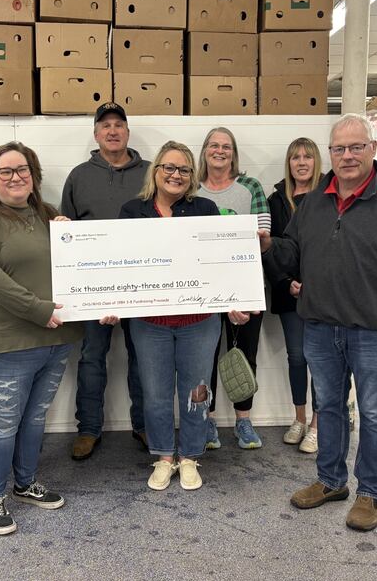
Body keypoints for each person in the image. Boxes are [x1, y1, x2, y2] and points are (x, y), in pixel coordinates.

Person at [259, 114, 377, 531]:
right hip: (321, 327)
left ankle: (370, 494)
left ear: (373, 149)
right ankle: (331, 481)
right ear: (331, 153)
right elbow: (292, 253)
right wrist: (270, 246)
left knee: (374, 412)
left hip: (375, 332)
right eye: (339, 149)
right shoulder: (312, 204)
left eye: (356, 147)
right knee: (327, 407)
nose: (347, 156)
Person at [0, 142, 83, 536]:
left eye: (22, 169)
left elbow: (75, 267)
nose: (15, 177)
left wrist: (71, 239)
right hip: (5, 339)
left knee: (33, 418)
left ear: (34, 174)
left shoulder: (46, 215)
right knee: (2, 423)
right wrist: (37, 309)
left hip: (54, 336)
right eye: (5, 171)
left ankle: (25, 483)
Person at [119, 141, 254, 491]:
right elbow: (120, 265)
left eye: (183, 170)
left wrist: (235, 300)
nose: (176, 175)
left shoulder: (206, 209)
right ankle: (164, 457)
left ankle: (191, 456)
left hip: (199, 322)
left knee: (197, 391)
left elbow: (222, 264)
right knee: (156, 394)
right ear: (156, 171)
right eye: (169, 167)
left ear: (191, 176)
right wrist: (110, 301)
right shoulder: (133, 212)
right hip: (150, 324)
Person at [60, 102, 150, 460]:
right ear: (96, 135)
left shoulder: (151, 172)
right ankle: (88, 429)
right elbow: (63, 231)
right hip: (92, 286)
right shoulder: (79, 175)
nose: (113, 131)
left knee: (143, 357)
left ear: (127, 132)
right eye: (105, 126)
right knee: (92, 356)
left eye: (119, 125)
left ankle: (145, 424)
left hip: (143, 281)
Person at [196, 127, 271, 450]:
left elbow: (264, 240)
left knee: (244, 354)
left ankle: (244, 421)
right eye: (214, 145)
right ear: (205, 151)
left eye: (226, 146)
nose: (220, 151)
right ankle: (208, 421)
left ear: (233, 152)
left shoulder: (250, 186)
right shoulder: (193, 189)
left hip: (245, 286)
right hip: (203, 289)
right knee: (205, 357)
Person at [267, 138, 323, 454]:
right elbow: (270, 248)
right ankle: (299, 417)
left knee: (322, 360)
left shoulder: (329, 197)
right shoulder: (277, 200)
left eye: (307, 157)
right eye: (295, 158)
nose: (301, 162)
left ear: (316, 162)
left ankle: (317, 423)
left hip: (323, 293)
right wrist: (286, 281)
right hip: (290, 292)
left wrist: (314, 281)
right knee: (297, 356)